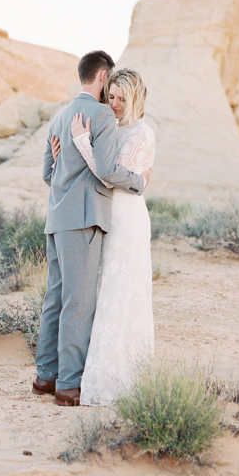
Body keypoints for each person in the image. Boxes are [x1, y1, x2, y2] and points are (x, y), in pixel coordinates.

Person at [33, 51, 151, 407]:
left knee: (55, 298)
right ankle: (68, 385)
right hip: (84, 220)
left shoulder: (58, 117)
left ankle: (45, 376)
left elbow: (47, 174)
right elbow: (109, 170)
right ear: (102, 76)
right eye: (109, 85)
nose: (111, 98)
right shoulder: (100, 115)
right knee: (79, 303)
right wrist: (140, 182)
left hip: (56, 220)